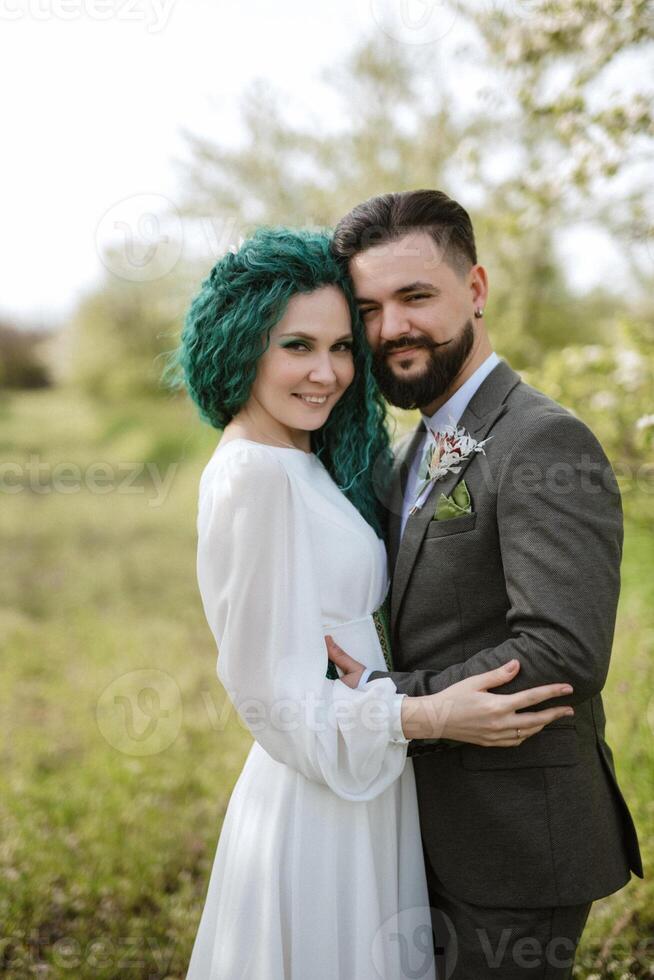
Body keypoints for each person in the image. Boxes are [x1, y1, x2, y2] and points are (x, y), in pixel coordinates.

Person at [172, 228, 576, 979]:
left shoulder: (304, 458)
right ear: (240, 347)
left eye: (341, 347)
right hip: (325, 793)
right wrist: (420, 713)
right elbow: (268, 698)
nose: (327, 374)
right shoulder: (252, 477)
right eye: (296, 346)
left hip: (368, 777)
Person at [327, 190, 644, 979]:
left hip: (514, 841)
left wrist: (394, 701)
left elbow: (561, 649)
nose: (391, 327)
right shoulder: (416, 446)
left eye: (416, 296)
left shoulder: (542, 438)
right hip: (431, 825)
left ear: (475, 289)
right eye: (368, 308)